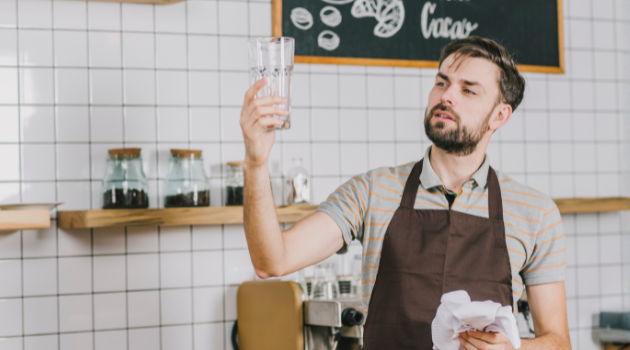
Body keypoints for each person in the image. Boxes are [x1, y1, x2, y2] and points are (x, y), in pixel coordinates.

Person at [238, 36, 570, 350]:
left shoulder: (535, 213)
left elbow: (558, 341)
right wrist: (255, 162)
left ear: (499, 115)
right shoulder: (373, 191)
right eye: (442, 82)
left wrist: (515, 348)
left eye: (468, 90)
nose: (447, 96)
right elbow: (272, 261)